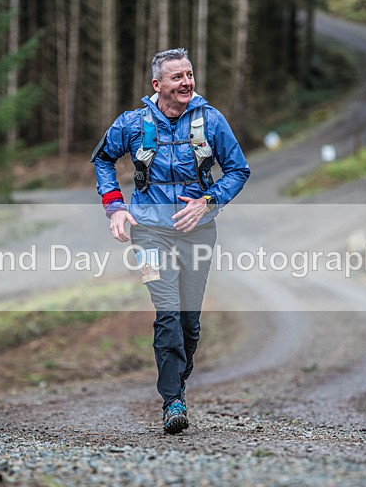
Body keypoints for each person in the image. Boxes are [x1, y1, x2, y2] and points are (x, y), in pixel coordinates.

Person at [92, 48, 250, 434]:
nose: (187, 83)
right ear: (157, 84)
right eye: (177, 77)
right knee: (167, 312)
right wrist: (115, 207)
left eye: (190, 75)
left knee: (189, 322)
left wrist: (207, 201)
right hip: (148, 232)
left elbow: (238, 170)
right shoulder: (132, 123)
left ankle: (177, 380)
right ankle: (172, 401)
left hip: (198, 232)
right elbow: (102, 159)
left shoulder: (211, 120)